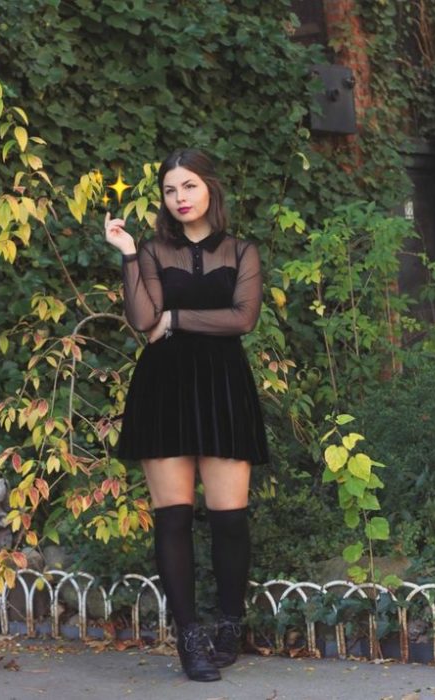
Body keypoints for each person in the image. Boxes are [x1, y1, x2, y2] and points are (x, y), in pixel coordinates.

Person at [104, 148, 269, 682]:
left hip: (223, 386)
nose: (181, 198)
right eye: (171, 190)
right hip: (164, 388)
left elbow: (242, 320)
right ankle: (189, 639)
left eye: (190, 186)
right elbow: (141, 319)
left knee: (230, 519)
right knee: (173, 517)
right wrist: (129, 255)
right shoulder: (151, 252)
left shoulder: (243, 252)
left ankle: (228, 625)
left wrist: (176, 316)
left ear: (211, 189)